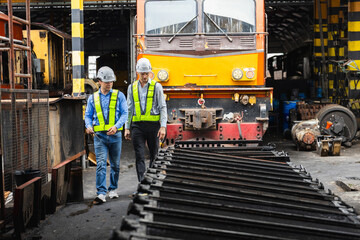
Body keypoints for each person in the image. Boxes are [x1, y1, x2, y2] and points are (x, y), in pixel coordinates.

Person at [85, 66, 128, 203]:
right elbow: (87, 116)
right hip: (100, 137)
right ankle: (101, 192)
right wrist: (88, 126)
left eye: (111, 81)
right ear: (99, 81)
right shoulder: (93, 98)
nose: (109, 84)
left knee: (115, 165)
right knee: (101, 164)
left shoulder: (119, 95)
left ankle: (113, 189)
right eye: (106, 81)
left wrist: (116, 127)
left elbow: (125, 114)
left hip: (115, 136)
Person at [125, 58, 167, 183]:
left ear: (150, 72)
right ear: (138, 72)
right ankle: (142, 183)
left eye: (146, 73)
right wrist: (127, 127)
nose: (144, 76)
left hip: (153, 126)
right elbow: (129, 108)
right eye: (142, 73)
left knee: (154, 155)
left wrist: (163, 126)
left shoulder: (157, 87)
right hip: (137, 127)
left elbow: (162, 106)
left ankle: (152, 181)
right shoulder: (131, 88)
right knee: (139, 155)